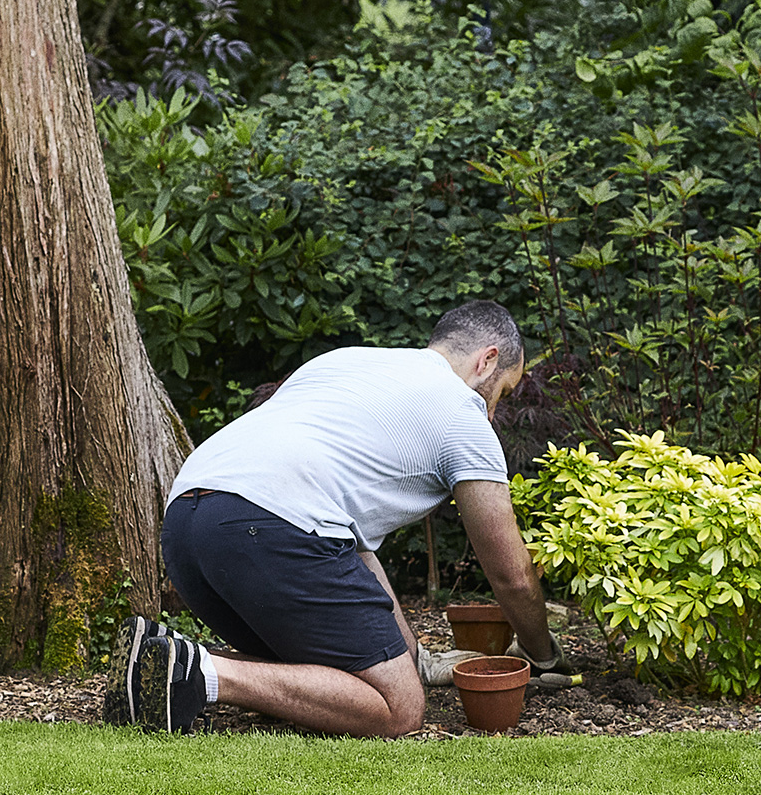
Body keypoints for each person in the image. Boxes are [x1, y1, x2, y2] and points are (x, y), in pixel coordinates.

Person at [105, 300, 566, 737]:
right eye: (502, 393)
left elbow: (350, 552)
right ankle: (203, 674)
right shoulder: (463, 417)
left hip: (187, 521)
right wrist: (540, 655)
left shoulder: (346, 362)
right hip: (265, 527)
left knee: (333, 671)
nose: (494, 411)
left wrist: (414, 659)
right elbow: (511, 576)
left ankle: (162, 660)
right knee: (398, 708)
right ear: (487, 360)